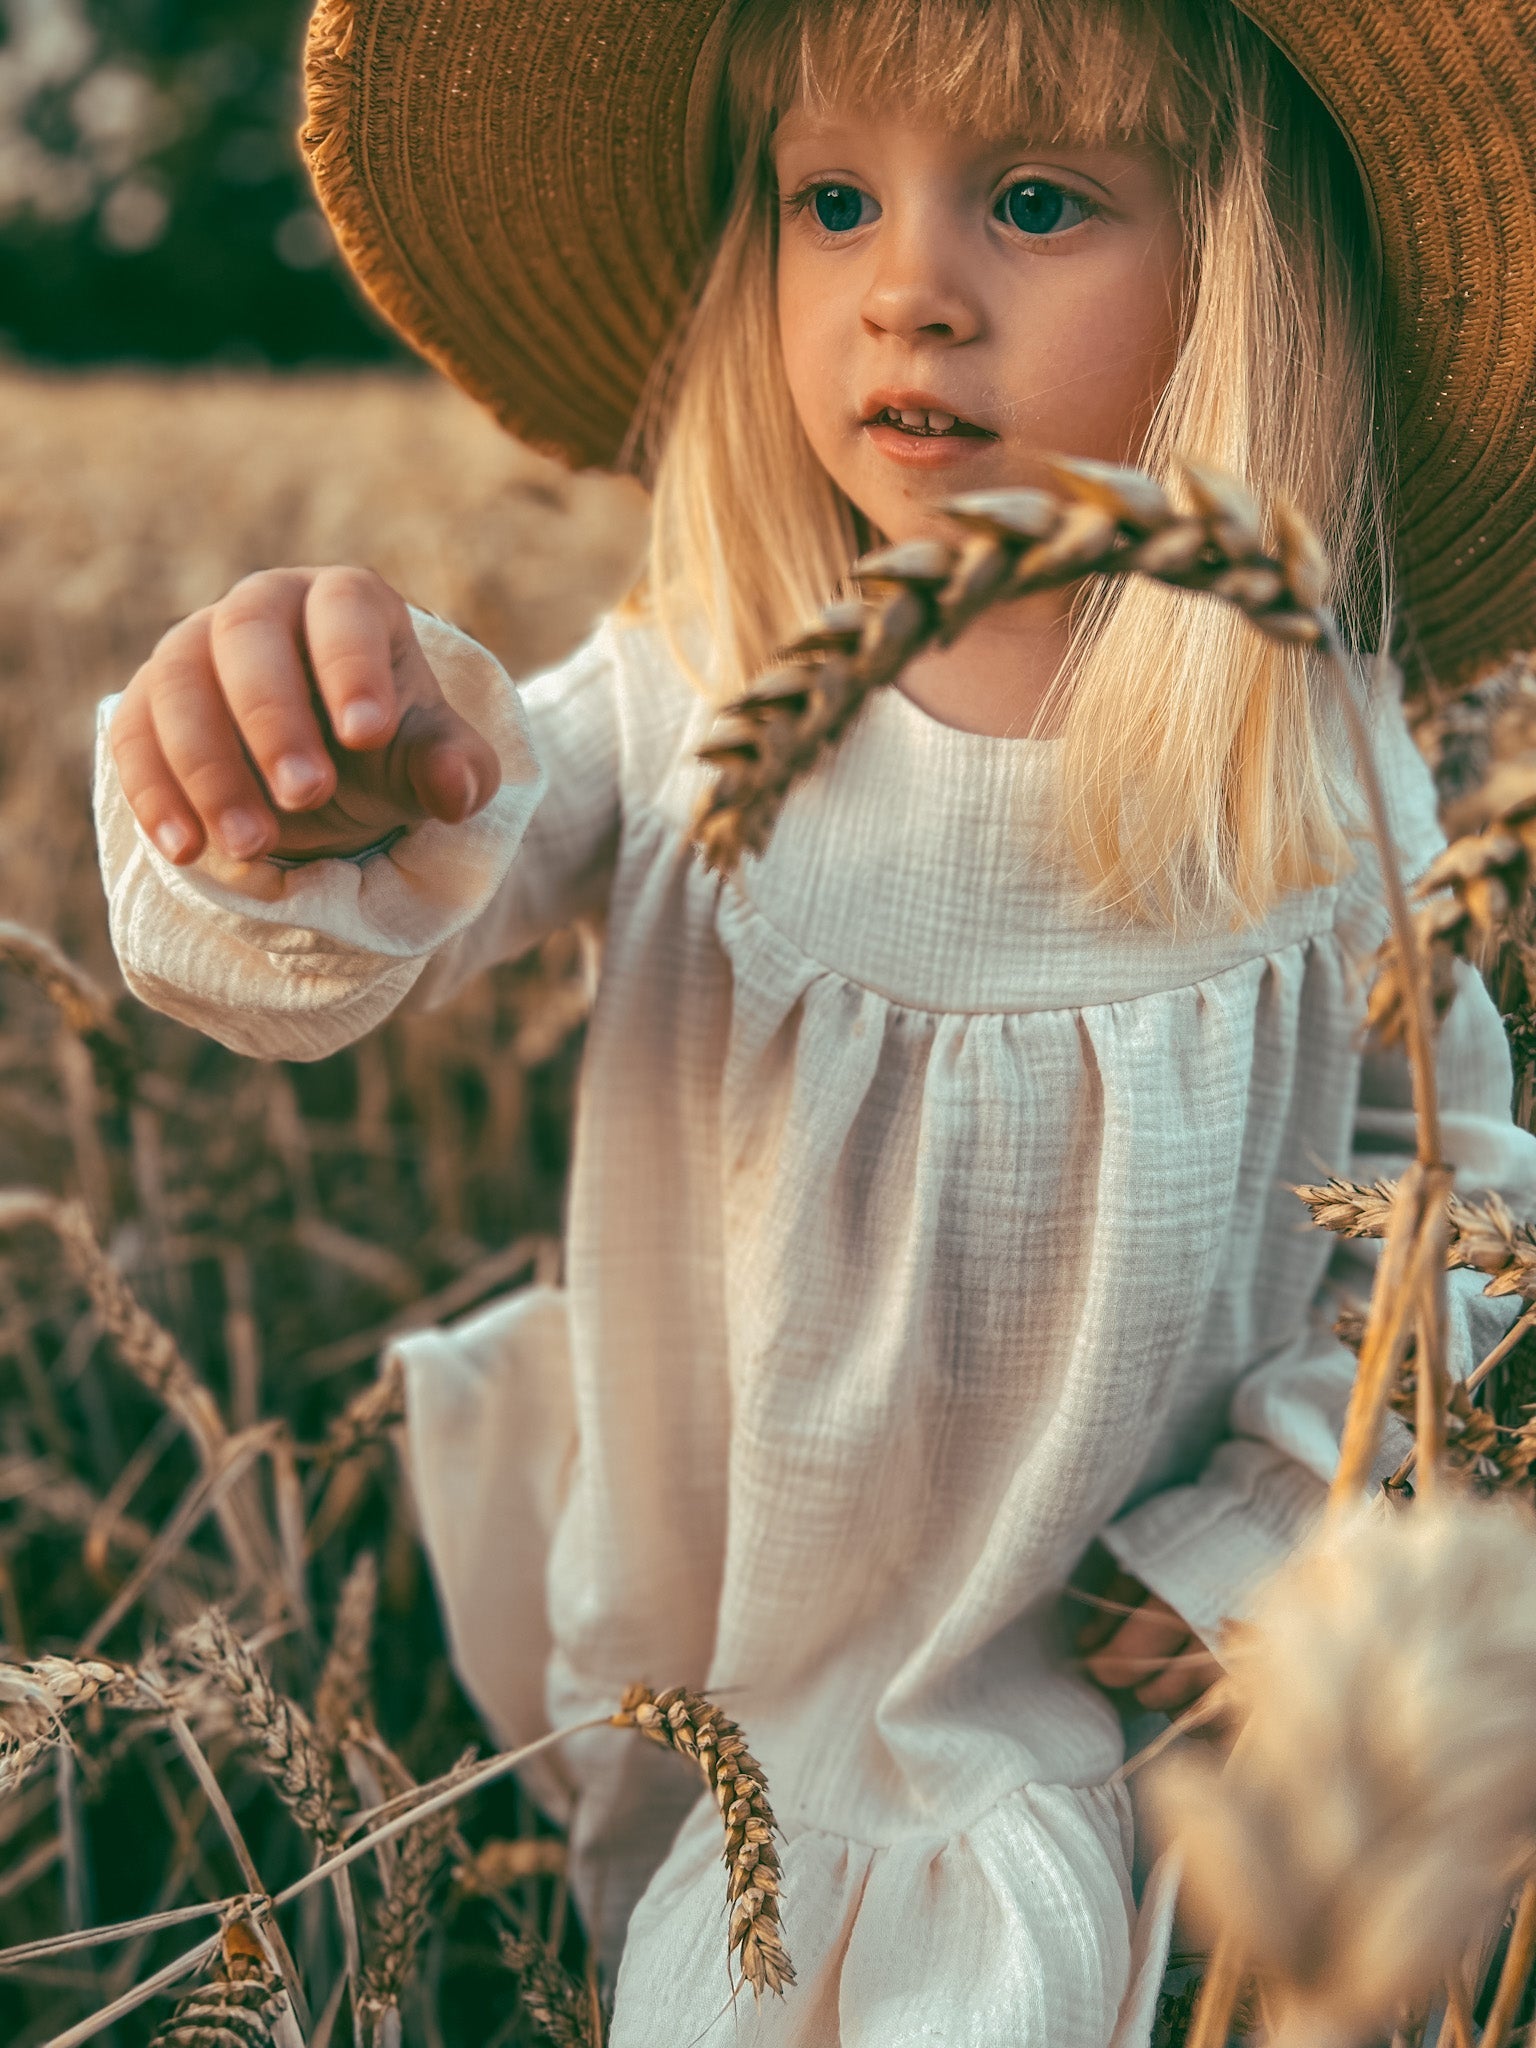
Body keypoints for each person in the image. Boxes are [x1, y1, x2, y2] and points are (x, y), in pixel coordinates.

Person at [93, 0, 1536, 2040]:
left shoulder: (1321, 773)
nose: (906, 295)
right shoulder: (693, 695)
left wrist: (1278, 1519)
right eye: (829, 201)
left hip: (1139, 1735)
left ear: (1241, 286)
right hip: (734, 1718)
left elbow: (1447, 1187)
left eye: (1036, 201)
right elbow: (359, 922)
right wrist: (285, 786)